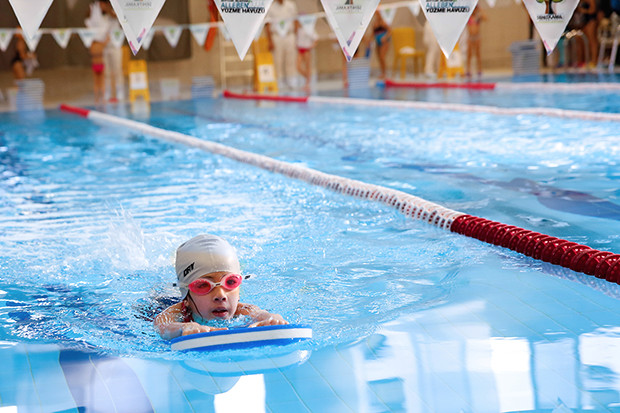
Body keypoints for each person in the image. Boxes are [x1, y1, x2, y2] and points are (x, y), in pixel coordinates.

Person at [154, 234, 288, 340]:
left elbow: (261, 314)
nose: (221, 295)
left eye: (230, 282)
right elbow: (163, 326)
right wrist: (184, 328)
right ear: (186, 297)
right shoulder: (176, 313)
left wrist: (271, 318)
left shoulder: (242, 310)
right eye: (203, 285)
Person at [265, 0, 299, 90]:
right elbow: (267, 24)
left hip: (289, 35)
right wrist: (270, 40)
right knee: (277, 59)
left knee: (291, 58)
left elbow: (296, 20)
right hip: (276, 36)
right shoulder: (271, 8)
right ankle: (279, 80)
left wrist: (296, 35)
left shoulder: (291, 5)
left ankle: (292, 80)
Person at [296, 22, 318, 93]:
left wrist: (311, 46)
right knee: (298, 66)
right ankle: (307, 77)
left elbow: (316, 39)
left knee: (307, 66)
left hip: (306, 50)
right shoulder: (298, 30)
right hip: (300, 49)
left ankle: (307, 83)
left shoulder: (309, 29)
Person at [466, 5, 487, 78]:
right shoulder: (468, 16)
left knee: (478, 54)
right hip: (470, 37)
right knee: (469, 55)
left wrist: (481, 10)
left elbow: (486, 18)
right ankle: (468, 70)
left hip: (477, 37)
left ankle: (479, 70)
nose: (474, 10)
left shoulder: (478, 17)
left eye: (476, 9)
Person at [577, 0, 598, 67]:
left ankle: (594, 61)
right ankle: (585, 61)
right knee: (584, 42)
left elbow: (593, 10)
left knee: (592, 41)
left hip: (591, 20)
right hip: (583, 21)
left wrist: (583, 11)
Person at [371, 10, 391, 80]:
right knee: (379, 58)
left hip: (384, 42)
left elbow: (390, 31)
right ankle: (382, 72)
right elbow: (373, 34)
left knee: (382, 57)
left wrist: (385, 38)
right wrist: (369, 41)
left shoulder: (383, 22)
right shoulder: (374, 23)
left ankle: (384, 73)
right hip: (378, 41)